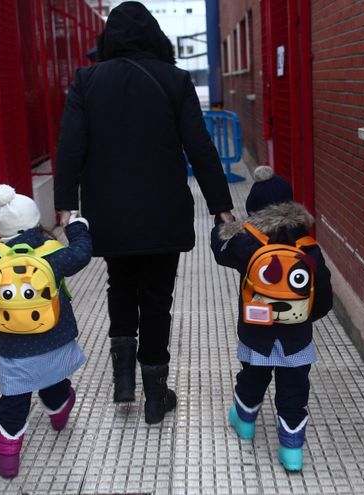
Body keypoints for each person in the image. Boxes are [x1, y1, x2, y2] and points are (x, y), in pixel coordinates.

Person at [53, 1, 235, 425]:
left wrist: (65, 205)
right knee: (157, 299)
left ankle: (124, 382)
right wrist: (221, 207)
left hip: (109, 213)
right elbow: (200, 147)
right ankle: (156, 395)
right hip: (162, 212)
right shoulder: (174, 79)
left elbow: (70, 147)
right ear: (155, 36)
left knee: (120, 286)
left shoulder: (87, 80)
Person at [210, 166, 333, 472]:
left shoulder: (246, 244)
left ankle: (245, 421)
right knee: (294, 391)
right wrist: (304, 318)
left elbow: (219, 249)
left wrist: (222, 224)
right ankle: (292, 450)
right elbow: (324, 296)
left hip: (257, 335)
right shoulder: (308, 247)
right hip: (297, 340)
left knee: (253, 377)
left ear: (253, 211)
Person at [0, 184, 92, 478]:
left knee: (14, 402)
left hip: (14, 348)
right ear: (35, 222)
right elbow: (82, 254)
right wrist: (76, 226)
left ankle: (7, 459)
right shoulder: (51, 254)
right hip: (55, 338)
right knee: (54, 382)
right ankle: (59, 411)